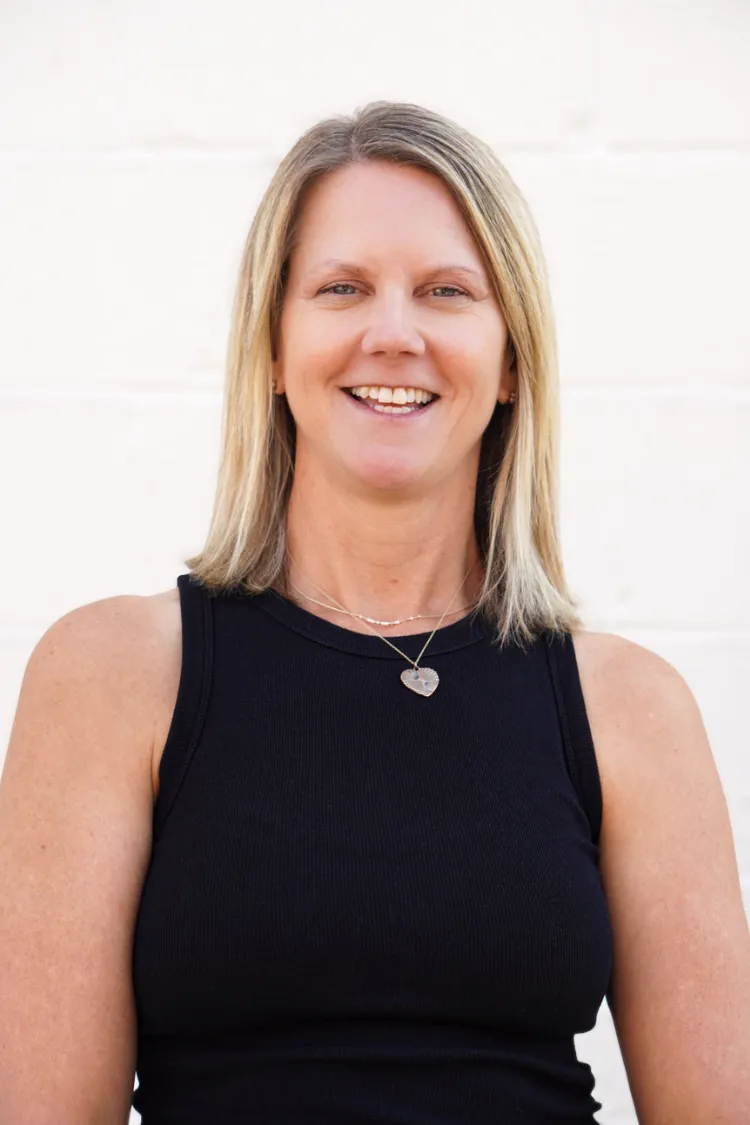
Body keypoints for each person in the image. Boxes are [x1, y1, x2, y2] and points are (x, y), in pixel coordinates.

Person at [1, 101, 748, 1125]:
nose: (392, 335)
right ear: (272, 346)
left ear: (512, 361)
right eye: (342, 288)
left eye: (446, 292)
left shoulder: (631, 710)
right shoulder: (110, 679)